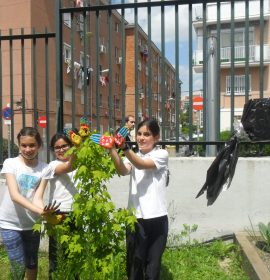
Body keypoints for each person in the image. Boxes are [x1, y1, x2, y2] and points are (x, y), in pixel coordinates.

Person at [109, 118, 169, 280]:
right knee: (135, 264)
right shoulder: (133, 156)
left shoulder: (161, 154)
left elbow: (142, 164)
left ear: (156, 138)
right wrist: (112, 150)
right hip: (135, 218)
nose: (141, 138)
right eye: (139, 134)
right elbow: (122, 170)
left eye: (147, 134)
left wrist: (124, 147)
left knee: (152, 266)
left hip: (157, 218)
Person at [0, 127, 58, 280]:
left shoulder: (44, 168)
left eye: (32, 145)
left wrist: (44, 212)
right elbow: (14, 195)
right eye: (23, 145)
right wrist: (40, 212)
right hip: (9, 223)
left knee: (32, 262)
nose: (28, 149)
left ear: (39, 146)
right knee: (18, 266)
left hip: (32, 224)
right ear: (19, 145)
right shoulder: (10, 163)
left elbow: (38, 197)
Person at [47, 132, 77, 279]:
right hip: (59, 213)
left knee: (75, 255)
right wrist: (77, 148)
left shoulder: (79, 163)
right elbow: (68, 167)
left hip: (77, 212)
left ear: (70, 145)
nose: (60, 150)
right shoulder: (53, 165)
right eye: (56, 147)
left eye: (64, 146)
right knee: (57, 256)